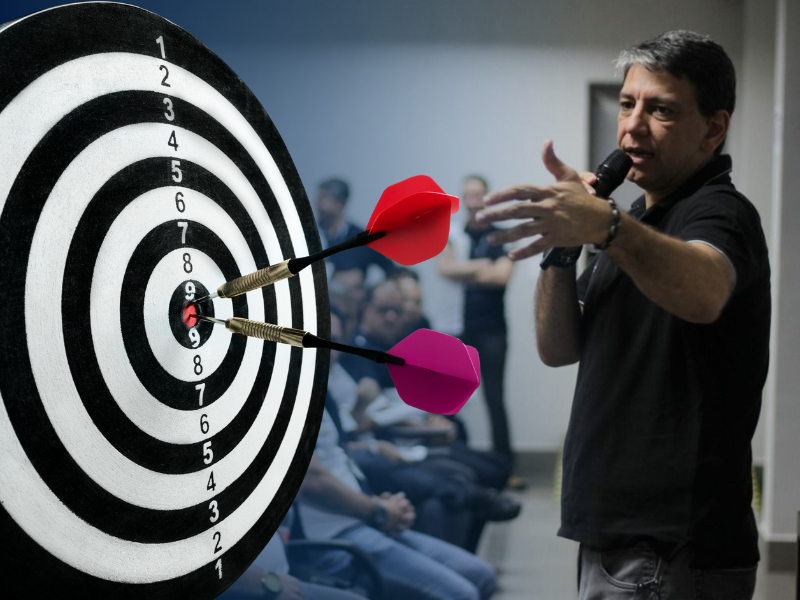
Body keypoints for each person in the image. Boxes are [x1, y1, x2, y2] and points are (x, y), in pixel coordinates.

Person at [476, 31, 769, 599]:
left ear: (713, 128)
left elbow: (706, 290)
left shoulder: (720, 212)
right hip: (621, 537)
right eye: (627, 104)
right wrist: (564, 248)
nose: (633, 126)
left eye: (662, 110)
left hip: (669, 546)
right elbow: (558, 348)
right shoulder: (637, 220)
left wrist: (607, 227)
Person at [437, 176, 516, 464]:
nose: (473, 202)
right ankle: (454, 460)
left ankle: (505, 465)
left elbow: (501, 276)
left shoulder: (502, 236)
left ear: (487, 199)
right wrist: (482, 265)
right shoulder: (452, 235)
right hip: (457, 328)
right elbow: (444, 269)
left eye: (478, 195)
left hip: (492, 331)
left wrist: (463, 269)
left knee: (494, 398)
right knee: (451, 397)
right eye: (468, 196)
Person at [315, 178, 396, 279]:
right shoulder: (307, 235)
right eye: (318, 198)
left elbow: (391, 270)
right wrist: (336, 277)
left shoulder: (362, 238)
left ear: (340, 204)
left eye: (323, 198)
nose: (317, 204)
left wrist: (379, 286)